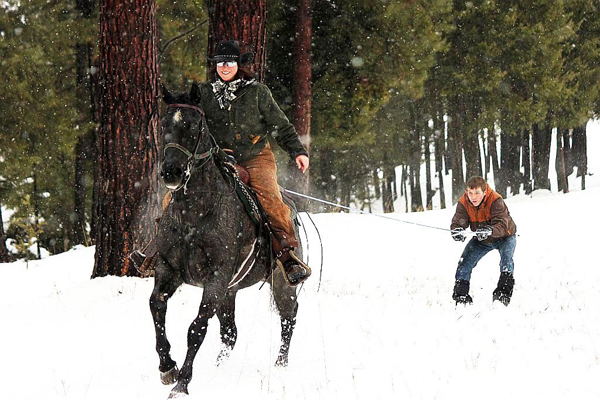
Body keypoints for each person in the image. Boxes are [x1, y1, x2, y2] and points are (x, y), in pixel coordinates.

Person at [191, 40, 311, 286]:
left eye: (230, 62)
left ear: (238, 65)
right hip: (214, 158)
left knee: (270, 198)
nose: (225, 67)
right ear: (215, 65)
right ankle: (157, 252)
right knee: (173, 196)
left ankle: (287, 256)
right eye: (220, 62)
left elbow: (281, 125)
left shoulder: (257, 92)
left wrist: (297, 151)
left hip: (254, 157)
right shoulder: (203, 93)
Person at [450, 176, 517, 305]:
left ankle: (502, 294)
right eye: (470, 192)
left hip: (505, 237)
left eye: (477, 193)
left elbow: (503, 225)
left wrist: (490, 231)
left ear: (485, 192)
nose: (473, 197)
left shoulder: (496, 200)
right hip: (481, 240)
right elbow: (459, 221)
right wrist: (457, 231)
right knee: (464, 262)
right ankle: (461, 296)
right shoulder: (464, 202)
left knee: (506, 261)